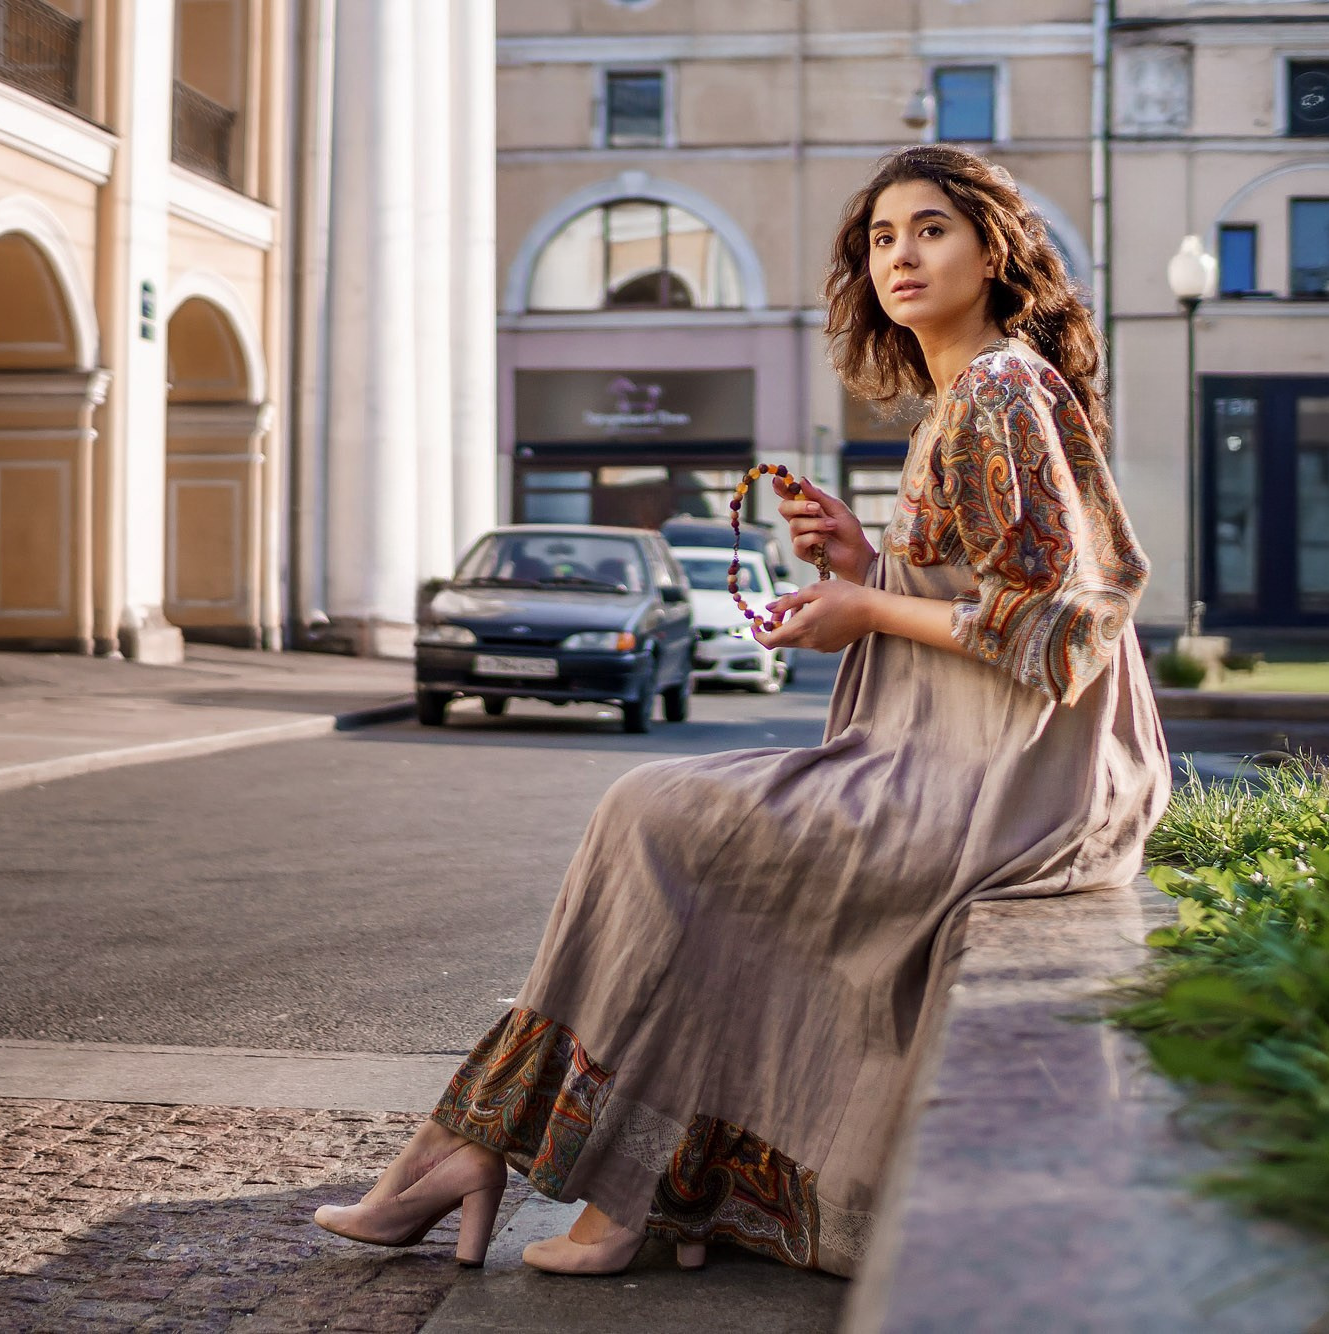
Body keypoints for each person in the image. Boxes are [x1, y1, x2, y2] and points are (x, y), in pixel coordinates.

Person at [313, 143, 1170, 1278]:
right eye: (879, 238)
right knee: (669, 820)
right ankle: (532, 1164)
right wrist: (871, 558)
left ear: (992, 250)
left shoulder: (999, 388)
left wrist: (863, 602)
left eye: (930, 229)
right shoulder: (956, 398)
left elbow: (1058, 626)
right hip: (965, 761)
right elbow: (982, 591)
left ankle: (551, 1169)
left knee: (656, 812)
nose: (899, 256)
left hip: (1011, 786)